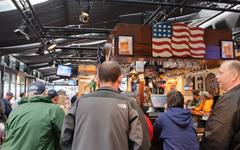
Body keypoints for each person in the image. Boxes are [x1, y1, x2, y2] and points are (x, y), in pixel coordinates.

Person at [60, 61, 147, 150]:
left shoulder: (79, 103)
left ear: (98, 79)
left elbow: (65, 138)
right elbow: (142, 143)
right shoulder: (130, 104)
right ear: (120, 78)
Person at [2, 81, 65, 150]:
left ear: (28, 94)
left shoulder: (15, 110)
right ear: (45, 93)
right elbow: (65, 136)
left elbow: (8, 134)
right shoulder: (54, 110)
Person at [200, 60, 240, 150]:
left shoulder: (230, 99)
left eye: (220, 73)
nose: (216, 77)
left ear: (234, 75)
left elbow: (215, 140)